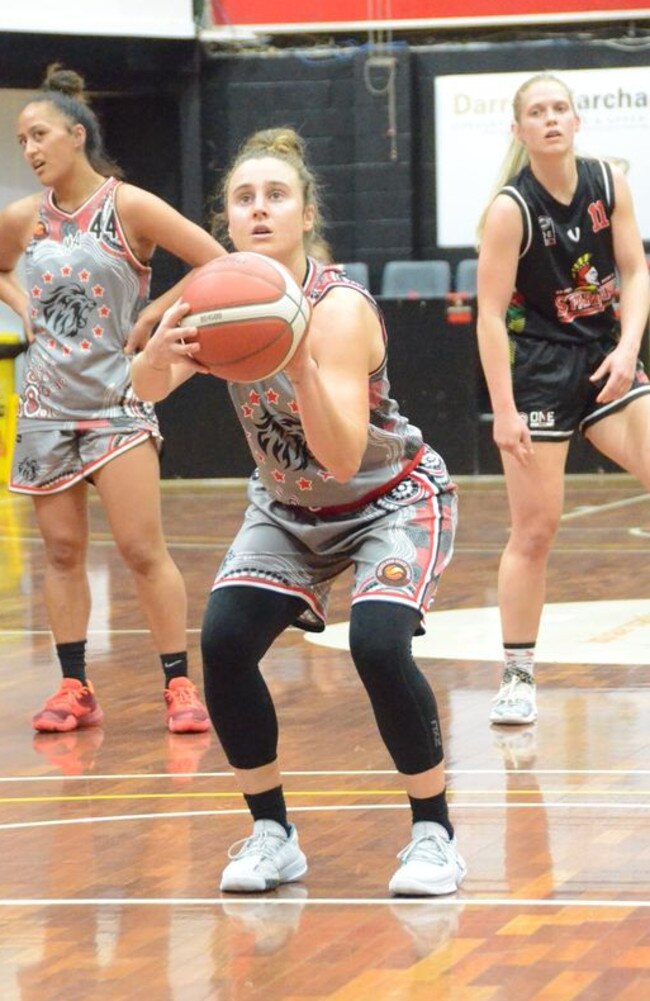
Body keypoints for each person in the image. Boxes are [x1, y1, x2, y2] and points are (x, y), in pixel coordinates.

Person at [131, 127, 467, 897]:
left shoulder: (339, 307)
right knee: (222, 638)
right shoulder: (210, 296)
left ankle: (433, 835)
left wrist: (296, 360)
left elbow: (346, 456)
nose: (258, 209)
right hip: (288, 507)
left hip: (388, 496)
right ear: (226, 219)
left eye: (275, 196)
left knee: (380, 644)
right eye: (243, 198)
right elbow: (144, 391)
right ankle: (271, 832)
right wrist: (161, 358)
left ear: (305, 213)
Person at [0, 64, 227, 734]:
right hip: (43, 405)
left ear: (76, 135)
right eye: (20, 141)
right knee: (63, 552)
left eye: (39, 134)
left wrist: (155, 314)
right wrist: (22, 310)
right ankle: (74, 685)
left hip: (115, 402)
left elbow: (217, 263)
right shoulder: (21, 217)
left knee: (140, 548)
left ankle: (179, 683)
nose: (30, 149)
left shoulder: (130, 207)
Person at [476, 72, 650, 726]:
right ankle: (517, 673)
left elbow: (635, 270)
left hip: (606, 355)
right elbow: (490, 317)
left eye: (561, 109)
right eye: (537, 112)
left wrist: (630, 347)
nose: (551, 119)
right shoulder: (509, 209)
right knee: (536, 529)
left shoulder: (609, 183)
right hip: (539, 369)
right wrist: (504, 410)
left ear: (577, 121)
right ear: (520, 130)